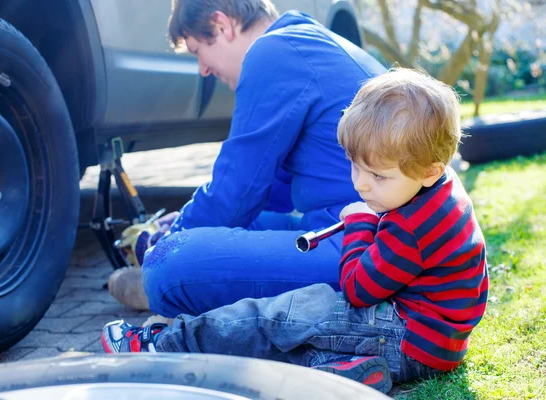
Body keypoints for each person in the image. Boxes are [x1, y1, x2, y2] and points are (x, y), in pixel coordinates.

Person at [102, 68, 489, 393]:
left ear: (429, 169)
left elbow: (357, 289)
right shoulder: (441, 188)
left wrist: (359, 224)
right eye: (355, 166)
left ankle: (165, 346)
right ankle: (343, 371)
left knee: (287, 315)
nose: (361, 184)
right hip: (436, 345)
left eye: (377, 175)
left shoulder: (411, 226)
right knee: (302, 335)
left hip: (407, 336)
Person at [108, 0, 387, 316]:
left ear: (222, 26)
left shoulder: (272, 53)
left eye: (198, 50)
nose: (203, 70)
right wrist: (184, 221)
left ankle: (168, 285)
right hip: (369, 232)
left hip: (366, 252)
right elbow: (268, 194)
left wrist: (167, 240)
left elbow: (235, 193)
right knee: (239, 223)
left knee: (166, 263)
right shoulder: (303, 41)